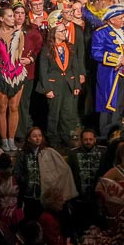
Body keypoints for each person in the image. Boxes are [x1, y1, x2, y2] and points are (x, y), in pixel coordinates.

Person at [35, 13, 83, 149]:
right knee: (54, 114)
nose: (64, 33)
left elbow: (75, 67)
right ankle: (52, 139)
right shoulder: (46, 49)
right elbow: (43, 71)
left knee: (67, 113)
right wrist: (47, 89)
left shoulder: (70, 47)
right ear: (54, 33)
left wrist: (77, 85)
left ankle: (66, 137)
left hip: (68, 84)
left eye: (65, 30)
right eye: (61, 31)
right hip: (54, 85)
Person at [0, 5, 29, 152]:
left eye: (14, 15)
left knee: (14, 107)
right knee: (2, 107)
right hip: (0, 75)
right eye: (10, 16)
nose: (14, 18)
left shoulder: (19, 33)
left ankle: (12, 140)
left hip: (17, 74)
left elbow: (19, 53)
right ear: (2, 19)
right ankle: (4, 140)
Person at [91, 3, 124, 137]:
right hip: (110, 74)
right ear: (111, 20)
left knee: (120, 103)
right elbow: (96, 53)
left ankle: (118, 129)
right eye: (120, 18)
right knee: (107, 103)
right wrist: (116, 58)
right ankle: (105, 133)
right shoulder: (101, 33)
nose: (123, 20)